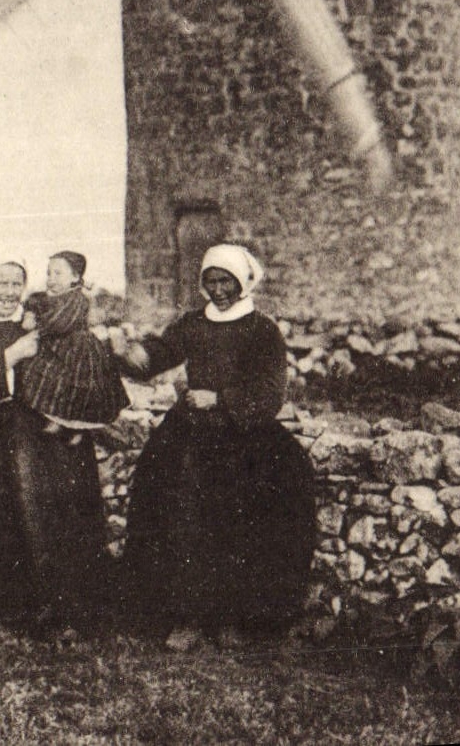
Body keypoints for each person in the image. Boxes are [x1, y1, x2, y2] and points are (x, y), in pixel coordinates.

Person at [117, 243, 316, 649]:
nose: (219, 290)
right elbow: (162, 351)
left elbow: (269, 392)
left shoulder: (263, 331)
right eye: (211, 282)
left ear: (243, 281)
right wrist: (135, 355)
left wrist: (221, 399)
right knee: (180, 520)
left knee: (239, 524)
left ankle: (231, 619)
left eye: (226, 281)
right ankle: (186, 618)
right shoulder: (193, 323)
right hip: (190, 434)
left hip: (244, 437)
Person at [0, 253, 109, 631]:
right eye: (0, 283)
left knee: (57, 518)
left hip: (48, 431)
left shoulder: (42, 322)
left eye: (15, 283)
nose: (9, 291)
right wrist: (10, 356)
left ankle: (65, 612)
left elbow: (77, 360)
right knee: (2, 520)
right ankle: (6, 613)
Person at [18, 251, 129, 437]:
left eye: (58, 273)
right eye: (49, 273)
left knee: (74, 386)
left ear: (75, 277)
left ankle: (74, 427)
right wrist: (29, 313)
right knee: (46, 379)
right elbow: (34, 302)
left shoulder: (77, 298)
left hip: (78, 349)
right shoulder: (47, 296)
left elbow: (61, 322)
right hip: (58, 344)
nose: (51, 279)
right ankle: (57, 420)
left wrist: (37, 325)